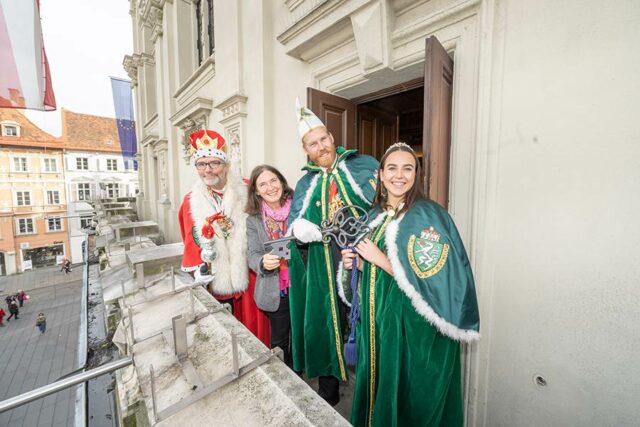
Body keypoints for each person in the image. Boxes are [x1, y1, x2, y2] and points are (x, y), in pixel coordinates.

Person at [341, 142, 480, 426]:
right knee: (379, 389)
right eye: (392, 168)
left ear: (417, 174)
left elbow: (437, 278)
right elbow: (370, 269)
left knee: (408, 397)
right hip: (378, 325)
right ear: (380, 174)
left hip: (411, 330)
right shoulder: (373, 215)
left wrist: (379, 259)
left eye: (408, 168)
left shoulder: (428, 216)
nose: (399, 175)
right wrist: (355, 264)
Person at [288, 100, 379, 405]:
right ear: (306, 150)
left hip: (364, 261)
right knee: (329, 324)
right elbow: (294, 226)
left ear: (332, 137)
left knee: (367, 320)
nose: (321, 146)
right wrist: (300, 229)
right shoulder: (305, 183)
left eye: (324, 138)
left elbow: (386, 206)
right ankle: (329, 391)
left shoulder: (363, 165)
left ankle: (369, 386)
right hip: (325, 265)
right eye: (313, 143)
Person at [178, 129, 270, 345]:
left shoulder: (249, 189)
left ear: (226, 165)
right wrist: (198, 270)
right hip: (215, 278)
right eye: (201, 164)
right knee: (225, 335)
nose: (207, 170)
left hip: (250, 275)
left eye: (214, 163)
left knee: (256, 333)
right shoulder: (190, 201)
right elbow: (189, 240)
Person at [246, 165, 295, 367]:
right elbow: (252, 254)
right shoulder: (254, 220)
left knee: (305, 336)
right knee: (279, 340)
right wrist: (262, 262)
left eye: (273, 180)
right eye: (263, 184)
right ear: (257, 191)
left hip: (304, 285)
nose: (270, 187)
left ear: (282, 182)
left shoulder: (300, 208)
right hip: (276, 288)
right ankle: (287, 378)